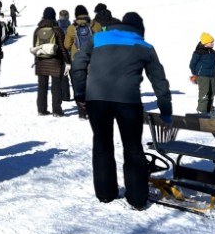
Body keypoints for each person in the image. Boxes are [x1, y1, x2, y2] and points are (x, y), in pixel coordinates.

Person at [70, 12, 172, 210]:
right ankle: (137, 197)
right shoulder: (145, 46)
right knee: (133, 148)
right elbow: (159, 81)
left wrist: (81, 93)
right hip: (128, 101)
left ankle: (105, 193)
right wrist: (165, 110)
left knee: (102, 144)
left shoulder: (97, 38)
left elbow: (78, 63)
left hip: (97, 100)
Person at [32, 7, 66, 116]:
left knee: (42, 87)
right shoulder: (57, 29)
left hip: (41, 61)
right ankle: (57, 110)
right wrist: (67, 61)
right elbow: (62, 47)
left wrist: (37, 61)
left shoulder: (37, 30)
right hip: (55, 62)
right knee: (56, 87)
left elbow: (35, 47)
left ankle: (41, 109)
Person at [63, 5, 93, 119]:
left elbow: (66, 45)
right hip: (93, 59)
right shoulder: (94, 25)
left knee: (79, 85)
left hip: (78, 59)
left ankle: (82, 111)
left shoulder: (72, 28)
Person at [189, 32, 215, 113]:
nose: (212, 43)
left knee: (212, 92)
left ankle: (210, 108)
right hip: (202, 76)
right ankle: (202, 110)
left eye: (213, 42)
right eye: (211, 42)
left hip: (211, 75)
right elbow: (192, 64)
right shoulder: (198, 52)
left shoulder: (213, 52)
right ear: (205, 43)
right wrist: (195, 74)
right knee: (204, 93)